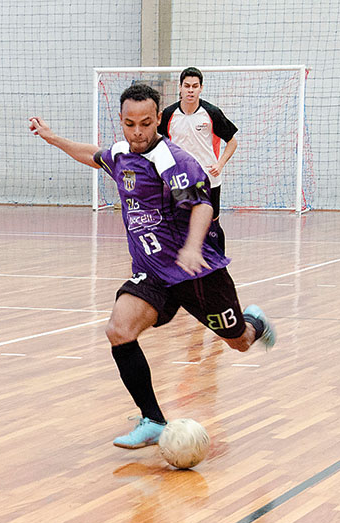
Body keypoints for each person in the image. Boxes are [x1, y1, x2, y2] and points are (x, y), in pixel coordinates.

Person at [29, 83, 275, 449]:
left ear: (158, 119)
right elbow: (95, 155)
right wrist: (52, 138)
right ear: (122, 121)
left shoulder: (173, 160)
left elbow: (202, 206)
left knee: (237, 342)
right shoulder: (121, 154)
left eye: (146, 123)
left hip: (197, 272)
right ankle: (153, 420)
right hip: (153, 272)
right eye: (130, 124)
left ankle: (255, 323)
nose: (138, 132)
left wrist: (192, 248)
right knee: (119, 329)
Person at [158, 67, 238, 253]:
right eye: (187, 86)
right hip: (179, 181)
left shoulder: (211, 113)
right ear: (180, 87)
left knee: (212, 225)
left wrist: (220, 164)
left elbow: (232, 142)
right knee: (179, 224)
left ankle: (218, 263)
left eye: (195, 86)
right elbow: (158, 143)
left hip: (208, 179)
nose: (190, 90)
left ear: (201, 88)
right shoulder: (169, 114)